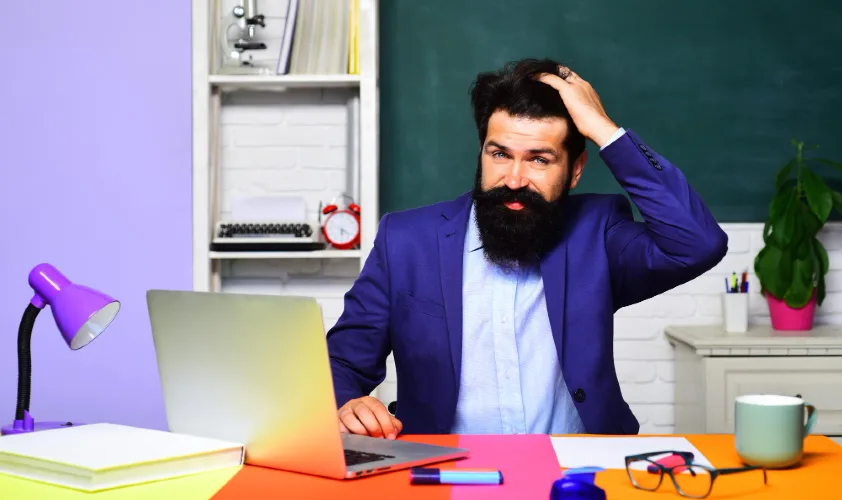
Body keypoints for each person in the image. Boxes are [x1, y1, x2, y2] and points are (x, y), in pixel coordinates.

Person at [325, 58, 728, 439]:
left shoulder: (598, 233)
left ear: (575, 170)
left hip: (576, 471)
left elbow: (696, 243)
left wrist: (603, 129)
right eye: (500, 154)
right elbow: (341, 361)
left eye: (539, 160)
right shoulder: (407, 240)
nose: (514, 179)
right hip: (443, 471)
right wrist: (346, 404)